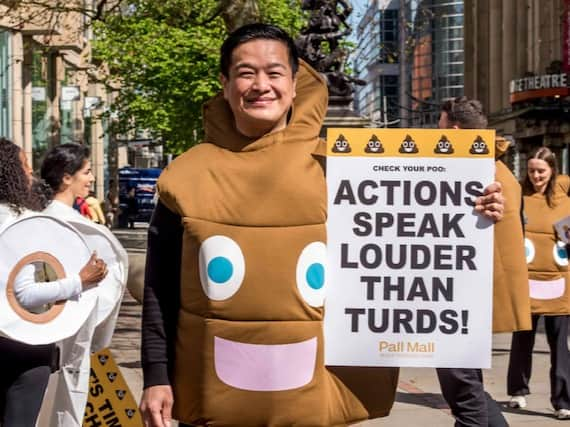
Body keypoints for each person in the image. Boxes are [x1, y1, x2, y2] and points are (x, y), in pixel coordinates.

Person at [140, 24, 505, 427]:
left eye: (274, 73)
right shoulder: (186, 176)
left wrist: (469, 209)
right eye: (246, 73)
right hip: (211, 397)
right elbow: (160, 287)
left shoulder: (342, 172)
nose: (261, 85)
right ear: (224, 84)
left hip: (307, 401)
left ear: (295, 84)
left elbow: (418, 226)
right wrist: (156, 376)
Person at [437, 96, 531, 427]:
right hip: (465, 297)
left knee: (464, 393)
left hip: (462, 299)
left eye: (440, 126)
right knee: (468, 387)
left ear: (456, 131)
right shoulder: (494, 165)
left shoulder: (480, 172)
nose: (437, 133)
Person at [0, 137, 106, 427]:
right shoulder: (20, 221)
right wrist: (79, 280)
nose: (30, 172)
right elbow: (22, 294)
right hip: (22, 345)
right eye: (24, 165)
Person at [507, 146, 570, 419]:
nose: (535, 176)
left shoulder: (565, 196)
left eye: (541, 171)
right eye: (531, 171)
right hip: (526, 282)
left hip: (560, 282)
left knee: (561, 346)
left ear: (552, 170)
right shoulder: (519, 195)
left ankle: (563, 401)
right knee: (522, 340)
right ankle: (518, 391)